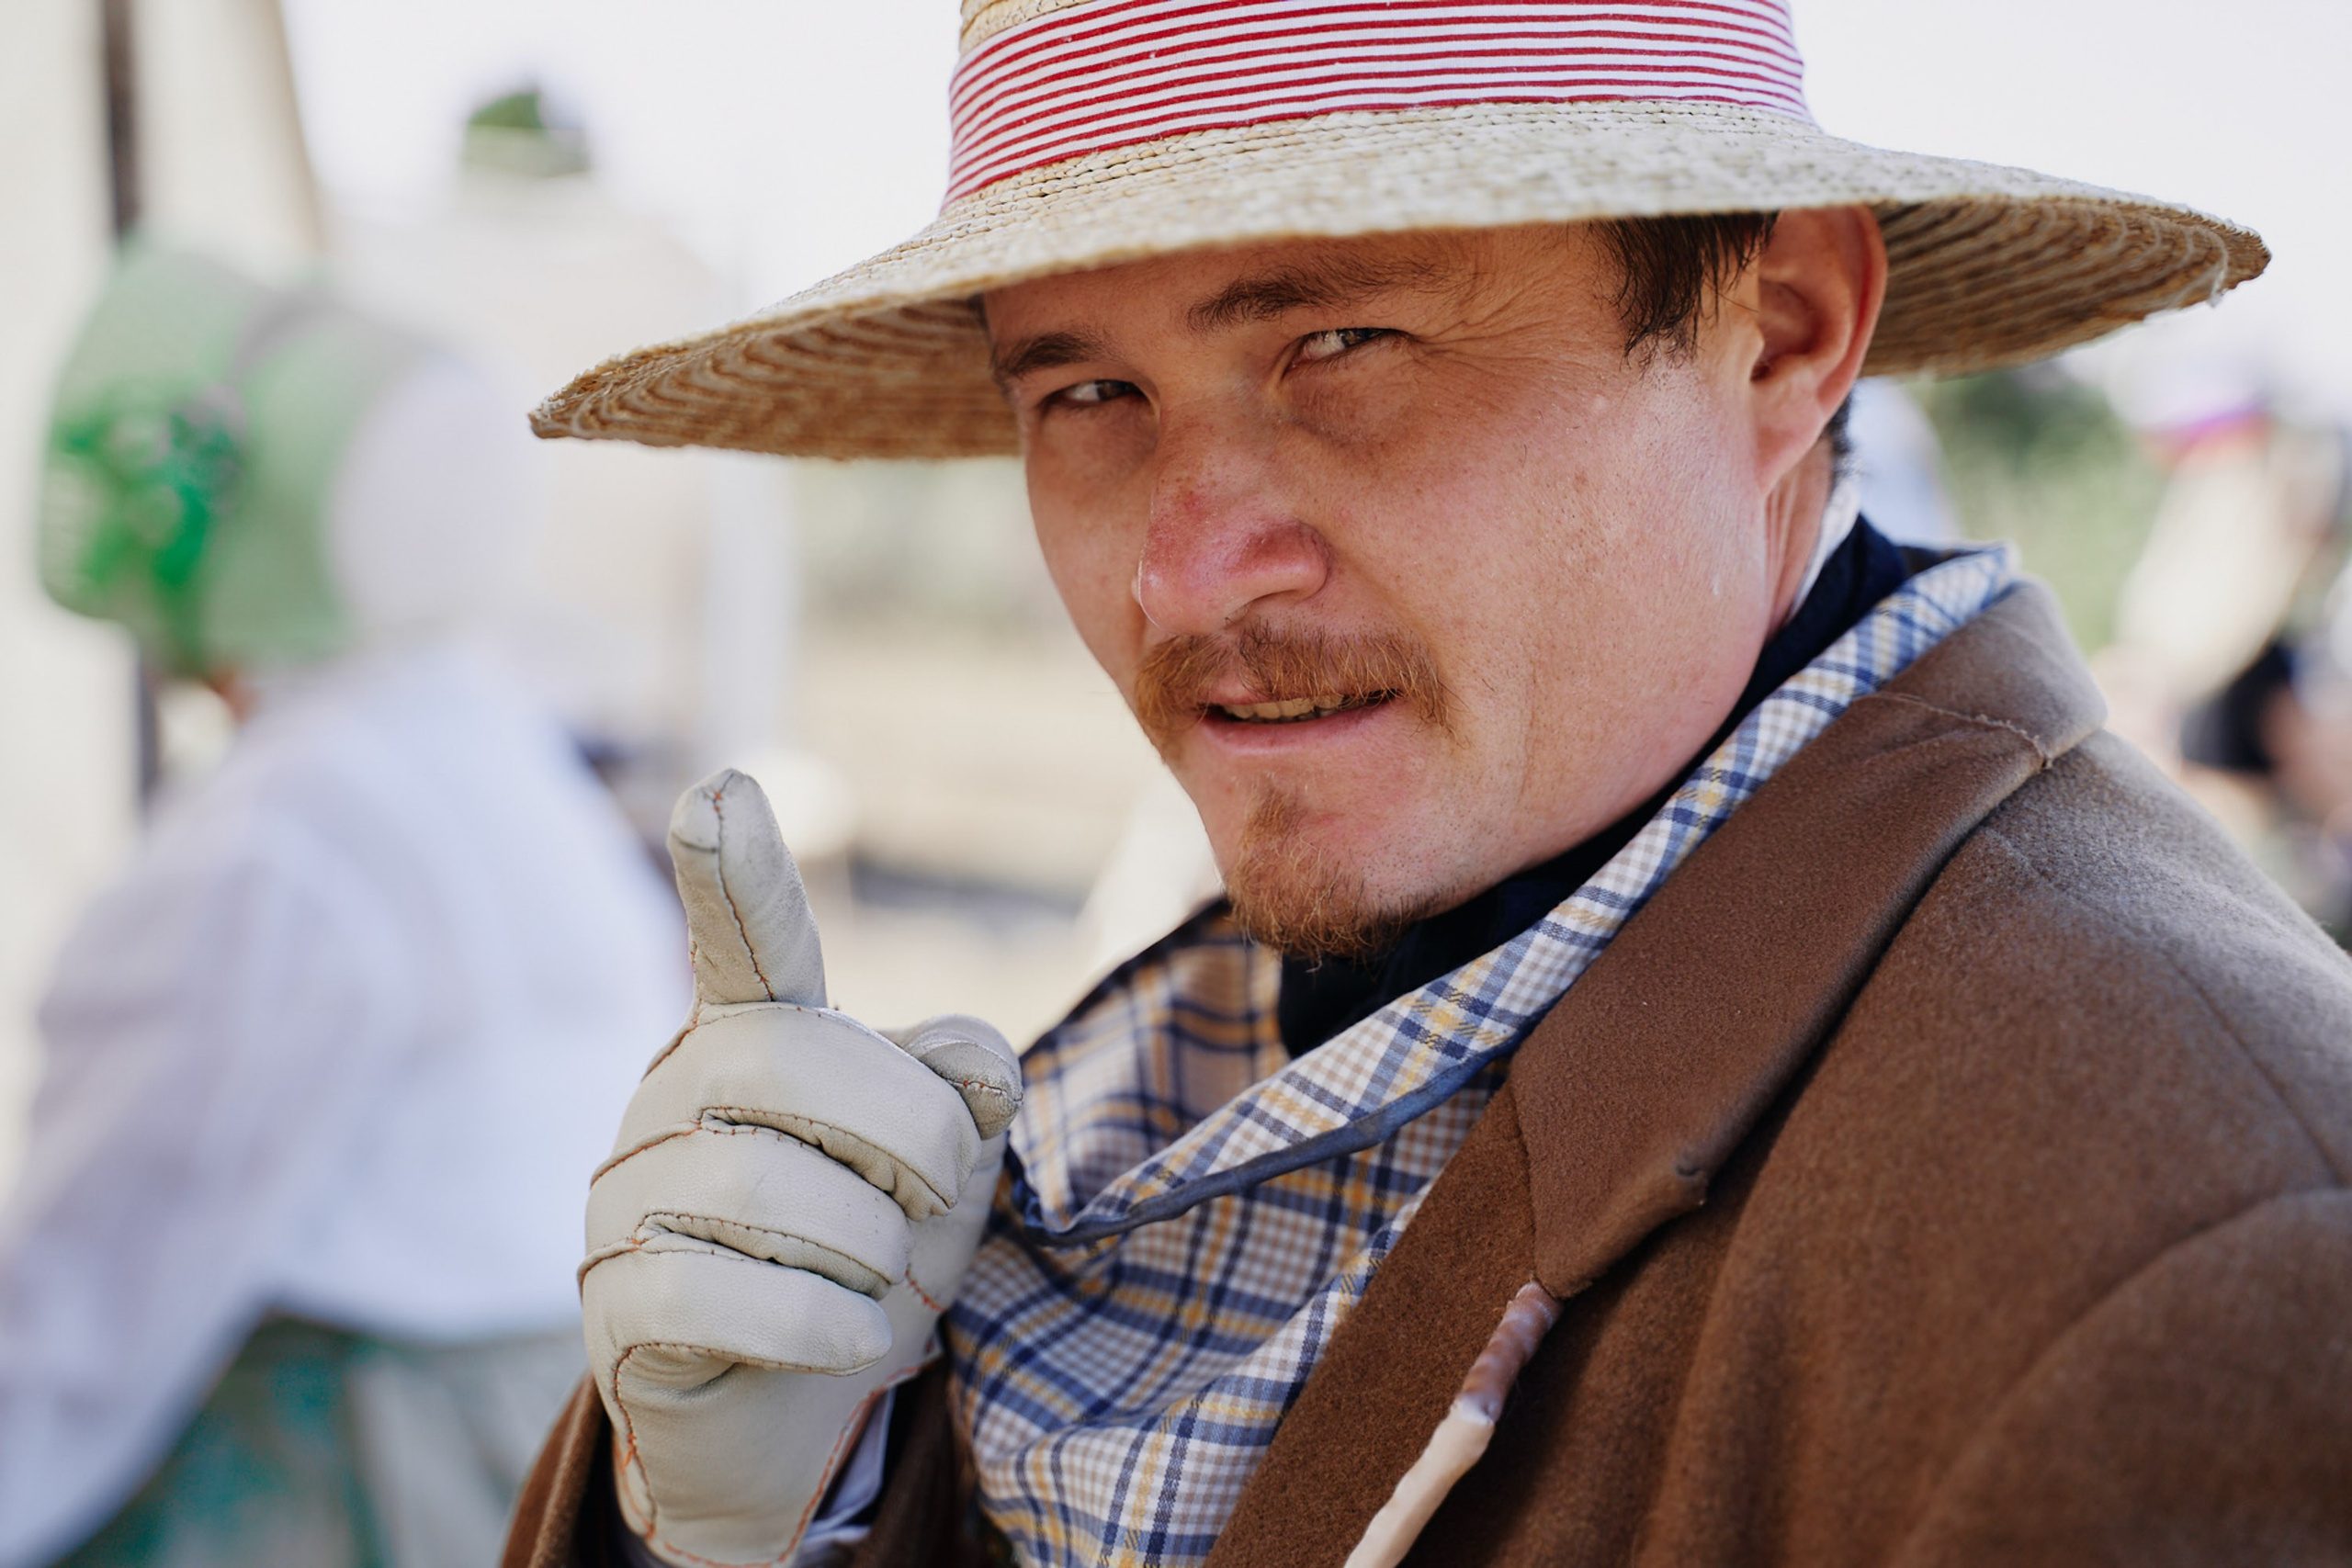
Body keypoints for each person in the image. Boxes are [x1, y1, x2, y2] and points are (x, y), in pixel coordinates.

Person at [508, 4, 2352, 1565]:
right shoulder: (1239, 1025)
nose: (1179, 571)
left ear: (1778, 329)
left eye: (1339, 344)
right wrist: (779, 1509)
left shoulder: (2212, 1269)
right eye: (1080, 396)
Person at [0, 248, 688, 1568]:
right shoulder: (490, 750)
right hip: (562, 1448)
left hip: (358, 1471)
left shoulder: (272, 850)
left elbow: (86, 1322)